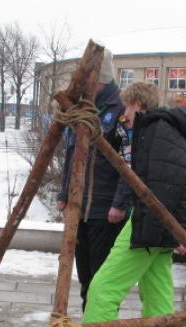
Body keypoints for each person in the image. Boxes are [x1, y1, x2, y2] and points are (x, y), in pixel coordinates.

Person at [72, 82, 186, 327]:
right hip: (160, 226)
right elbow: (174, 182)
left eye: (126, 108)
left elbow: (164, 186)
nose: (123, 115)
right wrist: (179, 231)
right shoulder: (161, 131)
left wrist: (168, 231)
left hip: (148, 224)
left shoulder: (158, 132)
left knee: (103, 288)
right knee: (157, 298)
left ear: (139, 104)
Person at [57, 48, 132, 310]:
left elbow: (127, 160)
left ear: (100, 79)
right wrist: (63, 193)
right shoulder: (80, 107)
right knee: (85, 275)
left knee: (102, 278)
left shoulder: (119, 109)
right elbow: (70, 153)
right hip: (79, 206)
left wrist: (120, 202)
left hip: (105, 208)